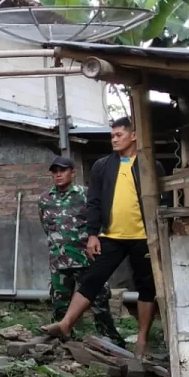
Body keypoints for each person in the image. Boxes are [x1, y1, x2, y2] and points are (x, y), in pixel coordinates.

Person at [41, 118, 163, 355]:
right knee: (92, 278)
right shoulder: (102, 166)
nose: (114, 139)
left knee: (147, 286)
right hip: (111, 236)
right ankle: (66, 324)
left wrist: (159, 233)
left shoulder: (150, 165)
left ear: (134, 136)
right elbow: (94, 202)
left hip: (144, 237)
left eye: (119, 135)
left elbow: (162, 199)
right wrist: (93, 235)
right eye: (112, 136)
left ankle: (141, 341)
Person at [37, 156, 123, 342]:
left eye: (63, 170)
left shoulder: (85, 194)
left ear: (72, 173)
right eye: (55, 171)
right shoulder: (45, 199)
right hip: (59, 260)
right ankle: (64, 341)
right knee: (60, 303)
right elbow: (46, 226)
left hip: (86, 258)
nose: (58, 175)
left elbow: (98, 222)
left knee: (98, 300)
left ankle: (111, 340)